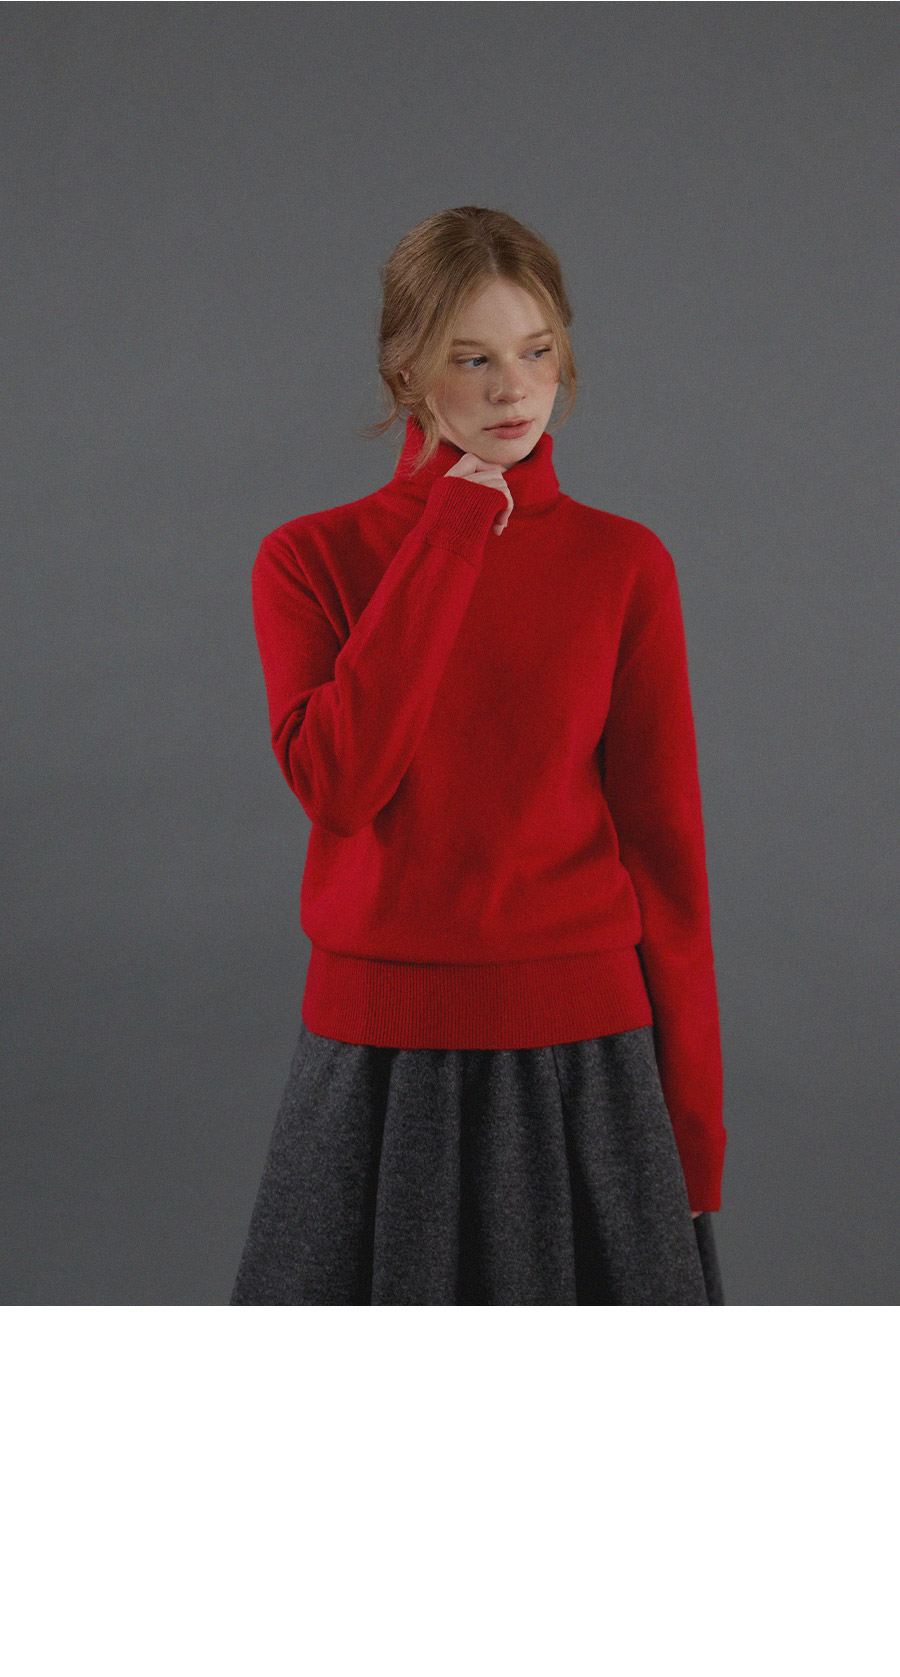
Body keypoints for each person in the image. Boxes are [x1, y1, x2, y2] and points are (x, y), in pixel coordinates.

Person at [230, 204, 727, 1305]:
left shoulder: (624, 564)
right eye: (473, 359)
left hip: (589, 1065)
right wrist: (453, 529)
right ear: (406, 371)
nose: (515, 389)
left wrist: (692, 1127)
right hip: (378, 1064)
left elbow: (667, 858)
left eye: (537, 352)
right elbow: (341, 784)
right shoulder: (308, 560)